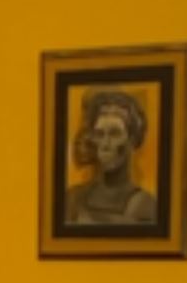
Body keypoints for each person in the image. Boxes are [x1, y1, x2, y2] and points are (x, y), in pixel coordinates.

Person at [63, 88, 157, 227]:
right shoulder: (72, 199)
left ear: (133, 139)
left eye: (115, 134)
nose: (105, 144)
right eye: (99, 134)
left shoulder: (146, 206)